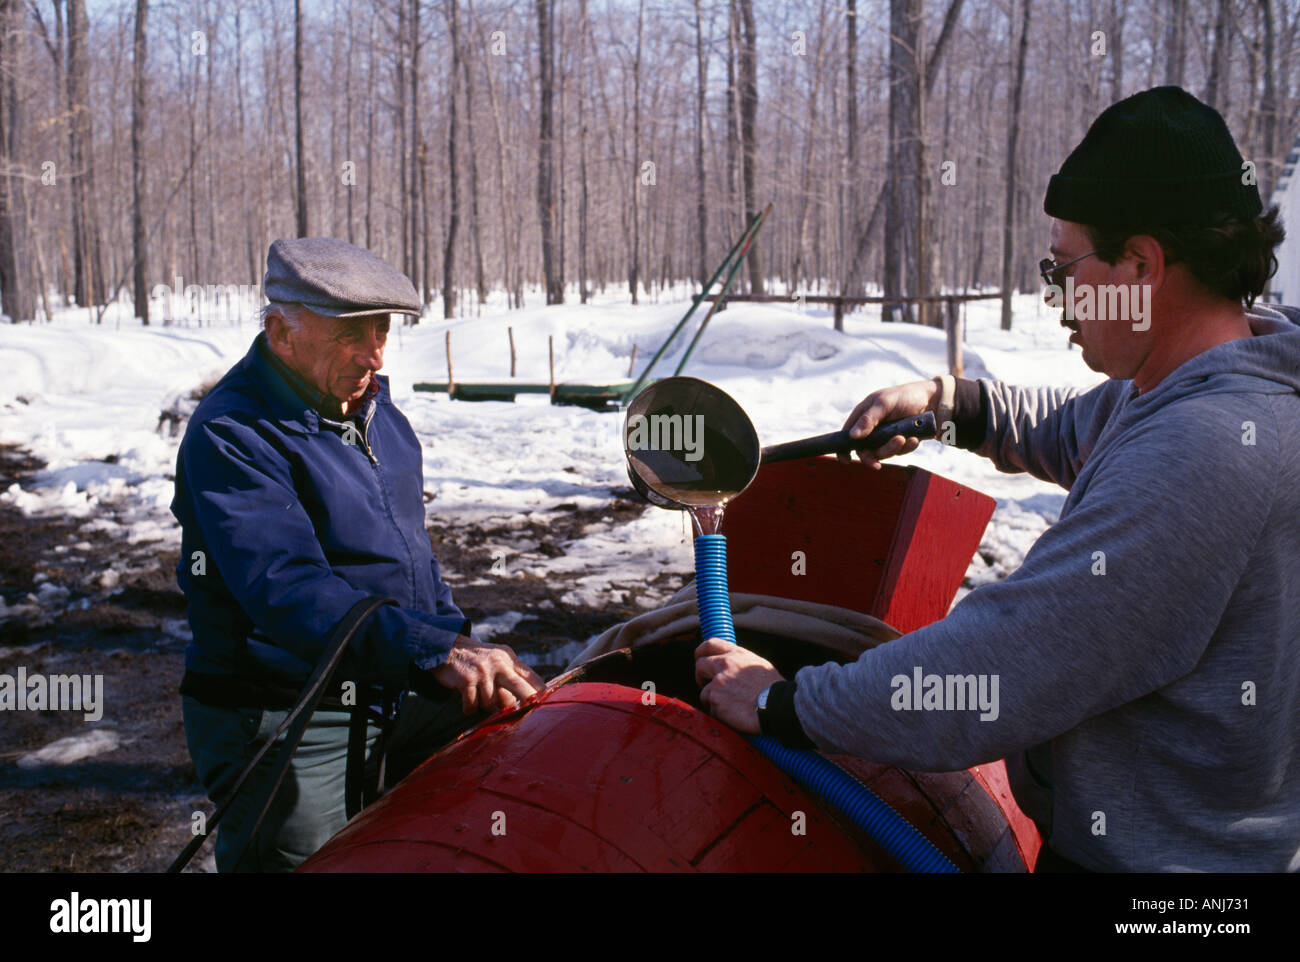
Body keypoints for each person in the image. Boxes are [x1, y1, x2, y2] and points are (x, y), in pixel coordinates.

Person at [694, 86, 1300, 872]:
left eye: (1064, 267)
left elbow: (999, 668)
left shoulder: (1205, 454)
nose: (1057, 300)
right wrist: (955, 408)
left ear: (1142, 265)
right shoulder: (1208, 387)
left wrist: (784, 701)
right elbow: (1081, 423)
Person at [171, 237, 543, 871]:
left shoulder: (377, 413)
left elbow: (412, 557)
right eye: (351, 333)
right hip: (289, 709)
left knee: (509, 780)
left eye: (381, 329)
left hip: (392, 682)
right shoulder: (232, 434)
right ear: (280, 333)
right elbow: (289, 588)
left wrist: (457, 644)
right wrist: (431, 654)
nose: (374, 352)